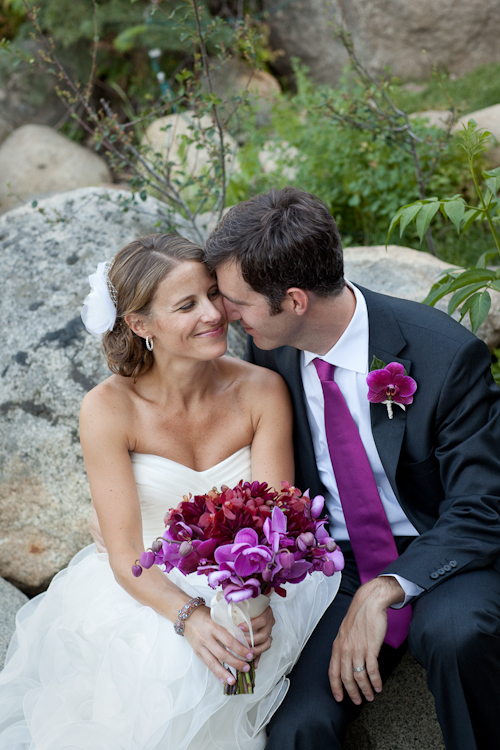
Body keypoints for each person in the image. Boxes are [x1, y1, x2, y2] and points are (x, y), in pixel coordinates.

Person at [0, 233, 341, 750]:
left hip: (257, 589)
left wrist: (254, 597)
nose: (212, 313)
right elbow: (125, 555)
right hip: (151, 589)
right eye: (187, 305)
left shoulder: (261, 391)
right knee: (171, 670)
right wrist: (190, 617)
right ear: (140, 325)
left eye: (212, 294)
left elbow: (279, 523)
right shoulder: (108, 409)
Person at [203, 186, 500, 750]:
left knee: (458, 635)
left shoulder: (444, 355)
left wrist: (387, 586)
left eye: (235, 301)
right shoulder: (268, 352)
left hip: (441, 554)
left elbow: (483, 504)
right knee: (293, 728)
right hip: (333, 574)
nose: (224, 313)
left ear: (294, 301)